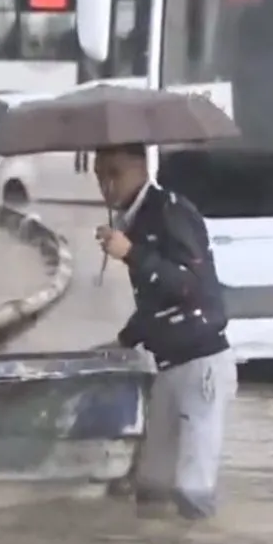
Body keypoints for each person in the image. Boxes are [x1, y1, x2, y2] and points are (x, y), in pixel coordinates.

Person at [92, 144, 237, 520]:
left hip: (201, 364)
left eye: (114, 173)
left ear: (141, 167)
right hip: (167, 364)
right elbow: (157, 304)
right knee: (152, 489)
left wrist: (132, 253)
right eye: (98, 175)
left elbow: (191, 286)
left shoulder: (171, 211)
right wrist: (122, 342)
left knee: (193, 492)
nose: (106, 186)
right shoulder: (135, 220)